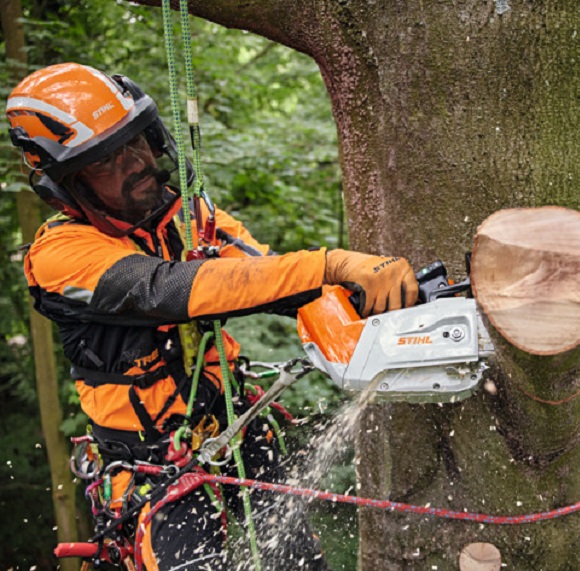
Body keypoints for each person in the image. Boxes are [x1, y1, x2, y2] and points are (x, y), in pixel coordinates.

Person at [6, 62, 418, 570]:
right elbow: (169, 290)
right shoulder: (60, 254)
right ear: (68, 187)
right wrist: (328, 262)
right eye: (106, 162)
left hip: (237, 426)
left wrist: (363, 297)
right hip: (151, 465)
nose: (135, 164)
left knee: (301, 560)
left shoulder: (187, 217)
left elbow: (264, 277)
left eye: (138, 143)